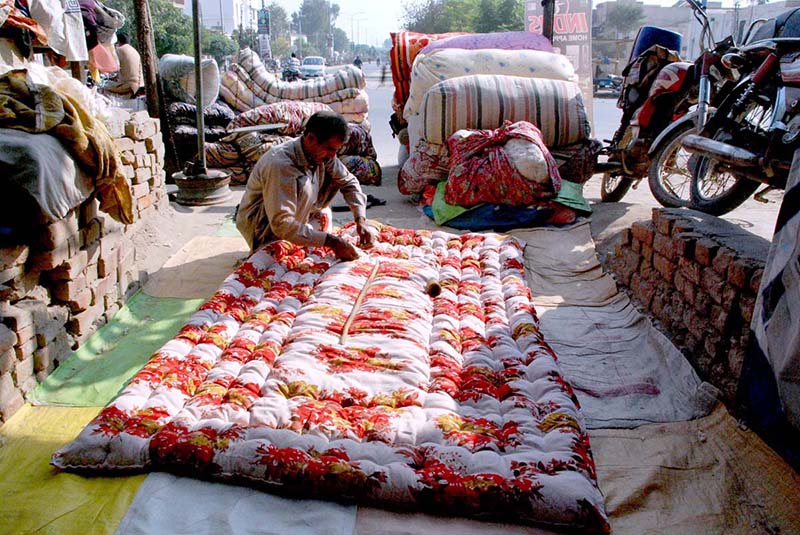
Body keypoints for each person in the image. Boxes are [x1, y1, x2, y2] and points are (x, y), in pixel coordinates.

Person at [236, 110, 377, 261]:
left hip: (297, 218)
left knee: (324, 215)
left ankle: (301, 237)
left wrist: (360, 220)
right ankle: (267, 247)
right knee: (275, 262)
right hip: (266, 228)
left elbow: (349, 183)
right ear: (310, 138)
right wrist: (332, 242)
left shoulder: (325, 155)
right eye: (329, 149)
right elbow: (281, 223)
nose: (332, 155)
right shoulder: (281, 164)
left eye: (335, 150)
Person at [105, 32, 143, 98]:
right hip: (140, 85)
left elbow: (111, 67)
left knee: (102, 89)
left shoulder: (118, 50)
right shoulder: (134, 50)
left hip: (129, 86)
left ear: (118, 42)